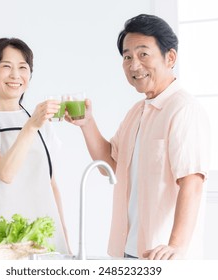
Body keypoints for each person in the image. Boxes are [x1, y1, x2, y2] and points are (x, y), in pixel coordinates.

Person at [65, 14, 210, 259]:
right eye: (127, 57)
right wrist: (87, 124)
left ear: (170, 57)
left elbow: (192, 182)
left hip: (163, 255)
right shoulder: (137, 112)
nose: (134, 65)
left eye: (144, 54)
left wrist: (175, 246)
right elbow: (111, 166)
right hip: (129, 250)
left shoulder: (183, 109)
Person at [0, 37, 70, 254]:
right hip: (2, 237)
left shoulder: (40, 119)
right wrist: (31, 126)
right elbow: (5, 173)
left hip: (45, 234)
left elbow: (51, 184)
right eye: (6, 67)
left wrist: (64, 238)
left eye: (23, 67)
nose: (15, 75)